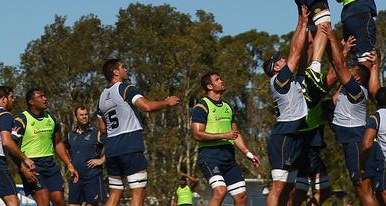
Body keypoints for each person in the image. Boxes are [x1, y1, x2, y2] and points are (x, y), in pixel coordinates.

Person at [97, 59, 181, 206]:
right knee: (138, 191)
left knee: (115, 192)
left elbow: (102, 127)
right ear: (116, 72)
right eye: (123, 67)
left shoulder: (102, 97)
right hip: (129, 145)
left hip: (111, 149)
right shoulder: (125, 88)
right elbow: (146, 106)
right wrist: (167, 102)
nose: (126, 69)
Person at [321, 26, 379, 206]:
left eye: (351, 74)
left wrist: (331, 38)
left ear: (358, 79)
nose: (348, 73)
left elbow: (339, 67)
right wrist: (345, 50)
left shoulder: (356, 91)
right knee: (361, 188)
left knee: (362, 187)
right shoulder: (347, 90)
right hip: (349, 141)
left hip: (354, 141)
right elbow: (341, 72)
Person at [261, 6, 310, 206]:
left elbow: (302, 58)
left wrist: (307, 37)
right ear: (275, 68)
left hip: (295, 134)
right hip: (284, 135)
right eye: (278, 60)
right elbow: (295, 53)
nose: (282, 59)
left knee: (289, 188)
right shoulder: (279, 80)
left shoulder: (291, 80)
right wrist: (302, 23)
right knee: (279, 186)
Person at [191, 72, 261, 206]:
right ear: (210, 86)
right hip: (210, 157)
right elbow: (197, 134)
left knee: (241, 196)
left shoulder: (228, 107)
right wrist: (224, 135)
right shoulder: (201, 106)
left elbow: (235, 133)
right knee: (220, 191)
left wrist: (249, 154)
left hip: (228, 158)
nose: (222, 81)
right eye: (217, 80)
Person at [13, 89, 78, 206]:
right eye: (41, 96)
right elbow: (11, 147)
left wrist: (69, 164)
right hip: (32, 166)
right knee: (44, 202)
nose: (45, 99)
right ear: (31, 102)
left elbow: (58, 143)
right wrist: (22, 167)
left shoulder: (52, 119)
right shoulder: (21, 120)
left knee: (60, 202)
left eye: (45, 96)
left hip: (50, 164)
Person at [65, 106, 106, 206]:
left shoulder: (96, 132)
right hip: (75, 177)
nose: (84, 117)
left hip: (92, 176)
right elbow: (63, 148)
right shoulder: (71, 135)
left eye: (86, 114)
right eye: (81, 115)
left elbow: (112, 145)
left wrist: (102, 160)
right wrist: (69, 163)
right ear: (75, 117)